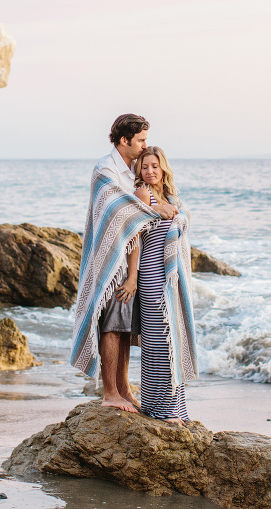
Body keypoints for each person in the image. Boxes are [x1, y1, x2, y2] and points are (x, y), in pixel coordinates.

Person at [70, 114, 178, 413]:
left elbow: (138, 209)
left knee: (125, 327)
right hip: (110, 260)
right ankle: (109, 393)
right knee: (111, 327)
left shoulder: (132, 170)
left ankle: (124, 390)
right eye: (140, 140)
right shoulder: (105, 169)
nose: (144, 145)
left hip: (128, 260)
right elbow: (122, 209)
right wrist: (156, 208)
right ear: (124, 140)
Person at [133, 146, 198, 425]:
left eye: (154, 166)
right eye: (145, 166)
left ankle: (176, 408)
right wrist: (133, 277)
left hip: (171, 275)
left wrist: (168, 210)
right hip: (151, 272)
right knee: (159, 341)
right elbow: (134, 233)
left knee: (174, 337)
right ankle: (161, 407)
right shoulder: (141, 194)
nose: (149, 171)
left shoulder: (172, 197)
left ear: (163, 169)